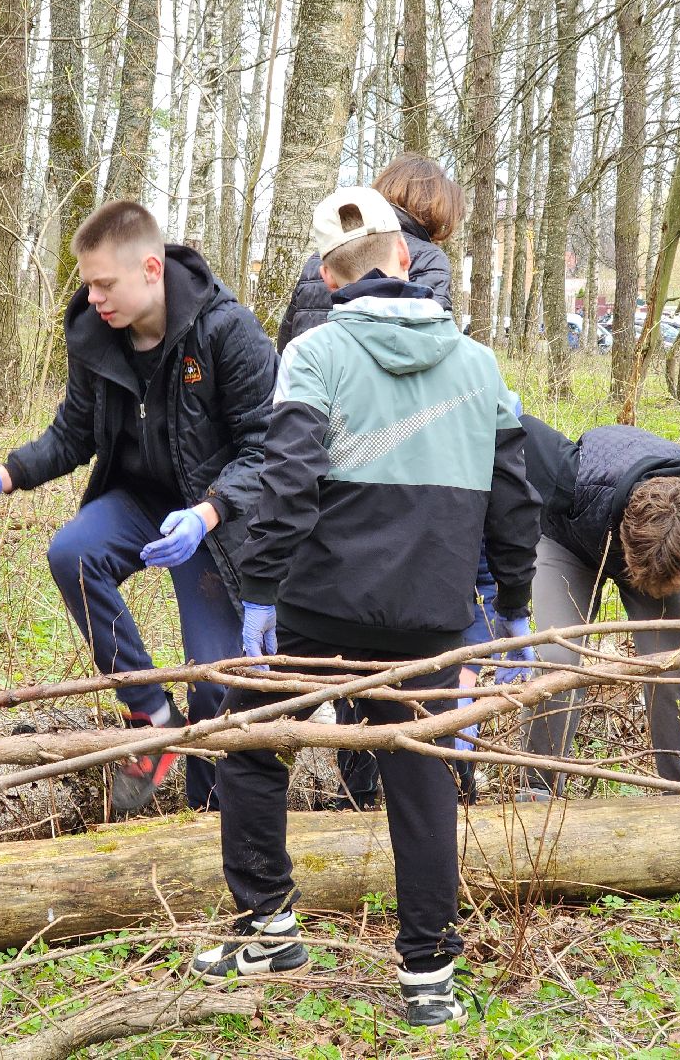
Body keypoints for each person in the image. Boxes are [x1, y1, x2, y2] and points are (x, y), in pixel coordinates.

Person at [190, 187, 540, 1028]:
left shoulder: (312, 354)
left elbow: (287, 484)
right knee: (421, 778)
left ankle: (268, 926)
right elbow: (514, 498)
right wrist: (516, 605)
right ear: (404, 258)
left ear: (326, 274)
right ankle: (429, 975)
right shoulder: (479, 365)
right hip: (432, 616)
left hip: (317, 611)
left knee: (252, 748)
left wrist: (260, 593)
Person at [0, 201, 276, 817]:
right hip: (140, 500)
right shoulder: (95, 332)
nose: (93, 297)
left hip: (216, 518)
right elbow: (75, 433)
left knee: (217, 679)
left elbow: (265, 450)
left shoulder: (227, 331)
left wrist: (207, 513)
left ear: (150, 269)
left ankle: (210, 819)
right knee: (73, 553)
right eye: (88, 284)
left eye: (104, 284)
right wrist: (5, 475)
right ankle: (150, 715)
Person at [277, 154, 465, 808]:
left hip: (311, 450)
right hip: (386, 453)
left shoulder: (322, 257)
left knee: (330, 623)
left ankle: (349, 785)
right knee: (389, 640)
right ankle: (408, 787)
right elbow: (424, 352)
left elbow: (287, 349)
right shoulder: (426, 261)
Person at [518, 417, 680, 794]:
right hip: (569, 541)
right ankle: (537, 788)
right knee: (557, 658)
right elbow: (514, 429)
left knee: (669, 668)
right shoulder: (572, 477)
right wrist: (505, 599)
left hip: (660, 551)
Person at [276, 153, 463, 352]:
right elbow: (433, 344)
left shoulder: (322, 258)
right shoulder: (429, 259)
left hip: (312, 369)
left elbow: (287, 344)